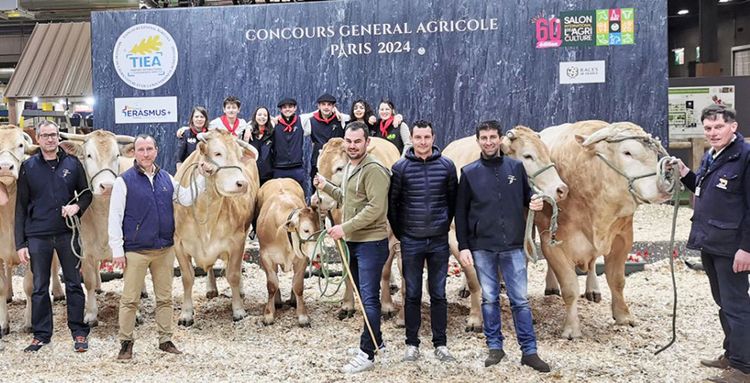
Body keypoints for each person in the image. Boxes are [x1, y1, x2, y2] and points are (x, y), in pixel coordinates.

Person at [454, 120, 550, 372]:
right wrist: (464, 246)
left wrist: (535, 201)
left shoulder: (516, 168)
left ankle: (529, 352)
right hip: (482, 246)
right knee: (489, 299)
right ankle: (495, 347)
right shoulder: (469, 172)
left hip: (513, 246)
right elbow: (460, 213)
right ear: (478, 141)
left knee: (520, 300)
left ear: (499, 140)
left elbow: (527, 196)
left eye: (492, 137)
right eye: (483, 138)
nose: (488, 142)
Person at [109, 134, 207, 360]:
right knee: (130, 299)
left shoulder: (166, 179)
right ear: (134, 152)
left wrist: (201, 178)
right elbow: (115, 217)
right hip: (135, 251)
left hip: (164, 249)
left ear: (156, 151)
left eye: (149, 149)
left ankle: (165, 339)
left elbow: (184, 198)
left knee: (165, 298)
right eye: (141, 149)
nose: (145, 153)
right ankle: (126, 342)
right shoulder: (123, 181)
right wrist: (117, 250)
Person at [674, 105, 750, 383]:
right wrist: (684, 172)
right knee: (724, 303)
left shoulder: (745, 157)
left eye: (718, 127)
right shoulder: (712, 155)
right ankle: (732, 354)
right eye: (708, 128)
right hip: (711, 243)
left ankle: (744, 368)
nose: (713, 133)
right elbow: (700, 187)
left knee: (738, 306)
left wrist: (747, 248)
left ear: (733, 126)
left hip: (733, 248)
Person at [313, 122, 391, 374]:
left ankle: (367, 354)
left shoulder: (375, 170)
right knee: (361, 294)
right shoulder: (350, 168)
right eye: (349, 141)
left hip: (370, 242)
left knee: (368, 299)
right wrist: (325, 186)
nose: (353, 145)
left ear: (367, 143)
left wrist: (344, 228)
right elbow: (349, 198)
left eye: (358, 141)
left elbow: (376, 208)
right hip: (355, 242)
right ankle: (376, 341)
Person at [15, 120, 92, 352]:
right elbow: (20, 207)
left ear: (59, 137)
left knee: (74, 283)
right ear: (38, 138)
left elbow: (87, 194)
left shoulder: (73, 163)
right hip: (37, 235)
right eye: (45, 135)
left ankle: (78, 332)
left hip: (67, 233)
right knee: (40, 286)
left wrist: (77, 207)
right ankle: (41, 334)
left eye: (54, 135)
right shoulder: (28, 167)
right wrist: (20, 243)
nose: (50, 139)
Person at [387, 120, 458, 363]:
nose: (423, 142)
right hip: (412, 241)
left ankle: (441, 343)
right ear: (412, 139)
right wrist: (403, 233)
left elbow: (452, 201)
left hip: (438, 241)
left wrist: (441, 226)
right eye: (418, 137)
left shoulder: (447, 166)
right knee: (412, 293)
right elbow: (392, 206)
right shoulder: (400, 168)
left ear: (433, 137)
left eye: (427, 137)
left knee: (439, 293)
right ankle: (412, 343)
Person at [307, 93, 348, 186]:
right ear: (318, 106)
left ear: (334, 107)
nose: (326, 107)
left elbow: (356, 117)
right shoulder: (311, 121)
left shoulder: (341, 119)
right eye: (323, 104)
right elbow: (297, 118)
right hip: (318, 162)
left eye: (329, 105)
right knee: (317, 189)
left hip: (337, 165)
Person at [272, 97, 311, 195]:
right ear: (280, 110)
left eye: (290, 106)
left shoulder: (301, 120)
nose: (287, 109)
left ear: (295, 108)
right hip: (279, 169)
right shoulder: (273, 123)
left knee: (300, 197)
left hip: (297, 168)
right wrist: (248, 129)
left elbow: (318, 112)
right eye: (284, 107)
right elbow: (256, 121)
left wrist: (336, 111)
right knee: (279, 197)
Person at [244, 106, 275, 186]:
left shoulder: (272, 133)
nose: (262, 117)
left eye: (265, 115)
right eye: (259, 114)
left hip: (268, 175)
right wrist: (248, 128)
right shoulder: (247, 133)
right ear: (255, 116)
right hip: (251, 175)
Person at [175, 106, 208, 171]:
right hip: (190, 172)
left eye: (202, 117)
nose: (199, 119)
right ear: (192, 119)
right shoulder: (185, 134)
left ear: (205, 119)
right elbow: (179, 159)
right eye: (196, 117)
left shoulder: (209, 134)